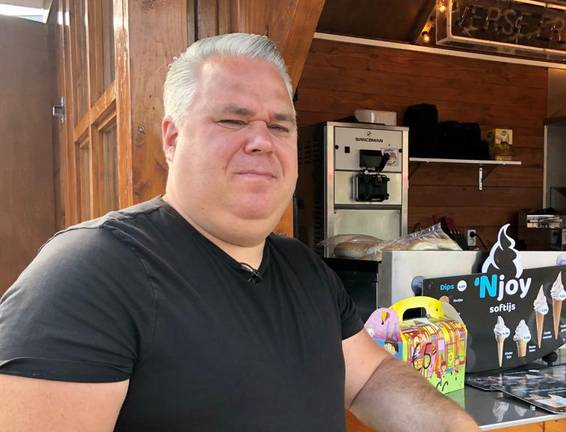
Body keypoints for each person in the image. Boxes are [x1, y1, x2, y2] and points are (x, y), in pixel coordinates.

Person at [0, 33, 479, 431]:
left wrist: (455, 427)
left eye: (280, 126)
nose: (260, 141)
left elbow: (370, 377)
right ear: (173, 138)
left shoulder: (304, 269)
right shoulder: (91, 272)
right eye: (232, 120)